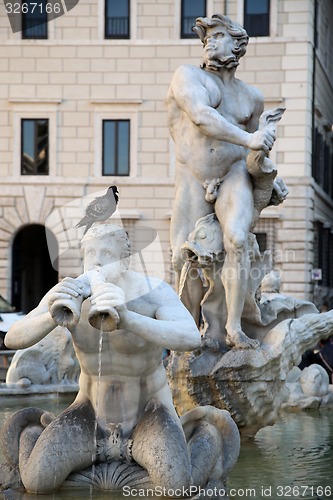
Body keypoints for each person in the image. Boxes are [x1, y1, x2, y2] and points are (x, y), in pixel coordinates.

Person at [4, 223, 204, 493]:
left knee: (175, 486)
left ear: (124, 261)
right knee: (37, 483)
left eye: (107, 254)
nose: (96, 261)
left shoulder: (152, 291)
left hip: (148, 412)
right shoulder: (68, 291)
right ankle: (36, 435)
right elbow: (13, 338)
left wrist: (129, 319)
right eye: (90, 254)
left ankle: (191, 441)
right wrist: (51, 316)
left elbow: (191, 337)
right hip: (90, 414)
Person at [166, 14, 279, 350]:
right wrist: (251, 140)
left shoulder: (251, 97)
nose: (209, 42)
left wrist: (272, 174)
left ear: (238, 43)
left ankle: (232, 327)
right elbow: (202, 117)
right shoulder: (188, 76)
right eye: (206, 39)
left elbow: (256, 149)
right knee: (181, 258)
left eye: (217, 35)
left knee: (237, 238)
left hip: (233, 174)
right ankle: (189, 329)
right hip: (192, 175)